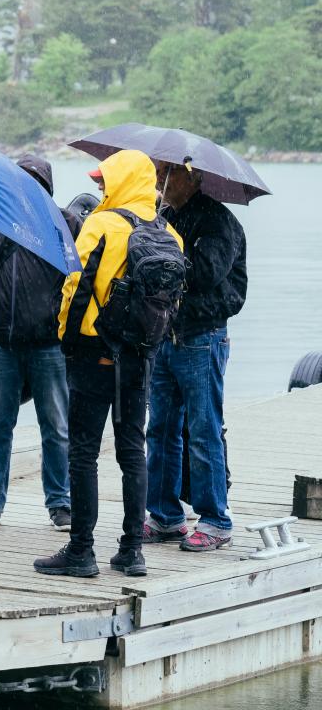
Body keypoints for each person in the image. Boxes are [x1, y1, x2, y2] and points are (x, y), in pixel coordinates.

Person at [34, 150, 182, 580]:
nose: (100, 186)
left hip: (93, 353)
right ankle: (132, 550)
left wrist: (66, 339)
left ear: (123, 181)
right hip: (142, 356)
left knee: (82, 452)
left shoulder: (101, 224)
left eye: (105, 180)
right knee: (132, 451)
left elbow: (74, 287)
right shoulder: (171, 233)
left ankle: (81, 550)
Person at [0, 155, 79, 533]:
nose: (26, 186)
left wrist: (65, 321)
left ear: (47, 186)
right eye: (19, 179)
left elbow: (83, 276)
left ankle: (60, 503)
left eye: (34, 180)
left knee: (57, 427)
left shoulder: (67, 224)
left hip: (51, 345)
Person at [144, 163, 246, 552]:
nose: (158, 179)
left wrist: (164, 249)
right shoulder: (164, 216)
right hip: (164, 335)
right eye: (156, 171)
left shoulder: (219, 222)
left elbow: (204, 273)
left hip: (203, 337)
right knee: (161, 429)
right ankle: (165, 515)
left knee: (204, 430)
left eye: (166, 172)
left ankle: (215, 518)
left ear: (192, 176)